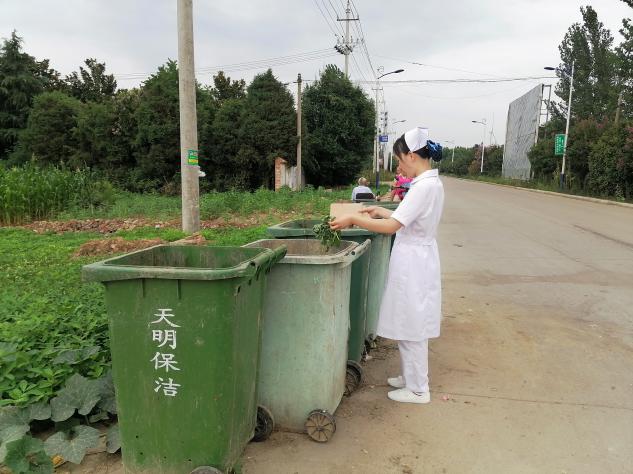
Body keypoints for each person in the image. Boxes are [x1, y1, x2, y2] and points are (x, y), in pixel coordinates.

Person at [330, 127, 444, 404]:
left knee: (412, 323)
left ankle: (418, 389)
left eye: (400, 159)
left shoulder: (424, 187)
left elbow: (392, 227)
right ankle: (411, 376)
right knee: (409, 319)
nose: (399, 166)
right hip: (417, 257)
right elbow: (403, 217)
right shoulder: (428, 184)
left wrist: (354, 220)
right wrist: (380, 210)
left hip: (414, 262)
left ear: (412, 156)